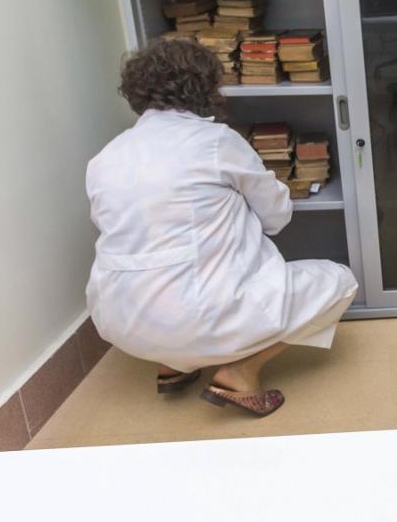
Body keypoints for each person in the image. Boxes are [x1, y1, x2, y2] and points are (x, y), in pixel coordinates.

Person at [85, 37, 357, 416]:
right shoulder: (216, 143)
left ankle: (173, 364)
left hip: (119, 321)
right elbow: (277, 216)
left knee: (169, 279)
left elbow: (125, 231)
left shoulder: (104, 158)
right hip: (201, 316)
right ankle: (240, 372)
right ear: (206, 87)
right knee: (340, 281)